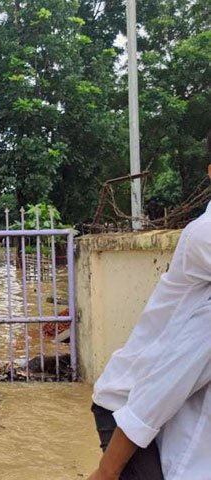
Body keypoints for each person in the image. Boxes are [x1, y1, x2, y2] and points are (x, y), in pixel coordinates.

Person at [88, 162, 211, 480]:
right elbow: (162, 387)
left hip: (164, 407)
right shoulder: (204, 234)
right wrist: (107, 470)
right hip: (130, 398)